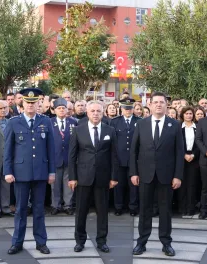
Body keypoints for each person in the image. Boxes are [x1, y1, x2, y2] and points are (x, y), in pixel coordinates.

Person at [130, 92, 184, 257]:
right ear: (150, 105)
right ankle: (142, 242)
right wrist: (134, 173)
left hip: (166, 176)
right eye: (156, 102)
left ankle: (166, 243)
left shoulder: (175, 125)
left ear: (167, 105)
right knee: (144, 210)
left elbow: (179, 152)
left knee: (165, 210)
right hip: (145, 174)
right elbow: (134, 151)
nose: (159, 105)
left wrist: (178, 175)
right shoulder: (141, 124)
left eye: (162, 102)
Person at [4, 88, 55, 255]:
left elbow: (50, 149)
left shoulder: (46, 121)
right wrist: (8, 171)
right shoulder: (13, 122)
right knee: (20, 209)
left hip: (40, 172)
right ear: (22, 103)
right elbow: (8, 150)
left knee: (39, 209)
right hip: (20, 173)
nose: (31, 105)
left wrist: (52, 172)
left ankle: (41, 242)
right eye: (27, 102)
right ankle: (17, 242)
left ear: (38, 103)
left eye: (34, 102)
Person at [68, 100, 119, 253]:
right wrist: (72, 177)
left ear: (103, 112)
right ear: (87, 113)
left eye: (98, 111)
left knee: (102, 211)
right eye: (92, 111)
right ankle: (80, 240)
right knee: (81, 211)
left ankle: (102, 241)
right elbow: (72, 156)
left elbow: (114, 156)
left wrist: (113, 177)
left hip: (103, 178)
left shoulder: (110, 130)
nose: (95, 114)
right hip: (83, 177)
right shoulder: (78, 130)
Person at [110, 98, 140, 216]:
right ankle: (118, 206)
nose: (128, 110)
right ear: (121, 109)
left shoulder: (140, 121)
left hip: (134, 158)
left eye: (130, 108)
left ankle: (133, 207)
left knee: (133, 184)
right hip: (119, 158)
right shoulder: (115, 122)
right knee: (119, 184)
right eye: (125, 108)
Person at [50, 98, 77, 215]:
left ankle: (68, 205)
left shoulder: (74, 122)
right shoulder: (49, 122)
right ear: (54, 110)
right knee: (54, 184)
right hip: (54, 158)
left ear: (67, 110)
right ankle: (55, 205)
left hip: (69, 158)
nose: (61, 110)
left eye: (63, 108)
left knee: (68, 184)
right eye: (59, 108)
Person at [178, 107, 199, 216]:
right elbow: (176, 144)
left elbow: (199, 143)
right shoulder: (178, 127)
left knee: (192, 184)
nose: (189, 115)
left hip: (194, 158)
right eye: (186, 113)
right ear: (182, 115)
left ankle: (191, 208)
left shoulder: (198, 127)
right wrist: (184, 155)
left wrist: (193, 155)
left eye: (190, 113)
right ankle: (182, 208)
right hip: (182, 158)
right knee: (182, 183)